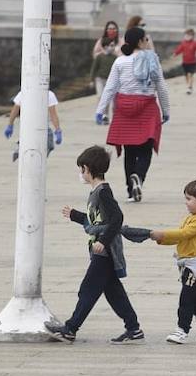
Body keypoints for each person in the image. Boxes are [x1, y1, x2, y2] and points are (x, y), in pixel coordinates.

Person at [46, 146, 144, 344]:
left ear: (88, 169)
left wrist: (102, 241)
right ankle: (134, 329)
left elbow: (117, 218)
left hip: (105, 252)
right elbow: (97, 221)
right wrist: (75, 215)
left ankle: (70, 328)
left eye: (81, 169)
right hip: (100, 250)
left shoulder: (103, 192)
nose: (80, 174)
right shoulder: (96, 192)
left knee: (88, 289)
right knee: (114, 293)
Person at [140, 178, 196, 345]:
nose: (186, 203)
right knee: (195, 299)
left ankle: (182, 330)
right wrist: (161, 239)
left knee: (186, 298)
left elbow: (184, 234)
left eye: (189, 199)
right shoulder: (190, 217)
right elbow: (181, 238)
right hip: (186, 263)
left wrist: (162, 234)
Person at [95, 26, 170, 203]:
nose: (147, 42)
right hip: (147, 108)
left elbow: (110, 88)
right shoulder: (153, 60)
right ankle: (139, 178)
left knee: (129, 151)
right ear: (139, 41)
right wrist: (166, 110)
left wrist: (100, 110)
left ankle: (130, 190)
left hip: (124, 109)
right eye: (145, 39)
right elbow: (162, 88)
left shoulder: (120, 62)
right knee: (146, 149)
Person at [5, 88, 61, 162]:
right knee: (46, 146)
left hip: (28, 126)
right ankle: (24, 153)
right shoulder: (48, 94)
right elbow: (53, 114)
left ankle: (21, 150)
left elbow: (15, 110)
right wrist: (58, 130)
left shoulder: (24, 92)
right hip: (40, 126)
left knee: (41, 145)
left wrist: (10, 125)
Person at [172, 28, 196, 95]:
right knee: (186, 75)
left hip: (192, 62)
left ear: (192, 36)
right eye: (186, 35)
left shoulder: (195, 43)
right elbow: (179, 49)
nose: (187, 37)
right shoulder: (183, 43)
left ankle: (189, 87)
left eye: (189, 36)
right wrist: (175, 53)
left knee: (190, 74)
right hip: (185, 62)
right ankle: (189, 86)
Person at [91, 22, 119, 101]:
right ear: (106, 30)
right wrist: (105, 54)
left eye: (114, 29)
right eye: (110, 29)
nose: (112, 31)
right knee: (101, 98)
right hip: (101, 76)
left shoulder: (120, 41)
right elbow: (95, 54)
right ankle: (102, 113)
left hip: (114, 76)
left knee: (113, 99)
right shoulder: (101, 41)